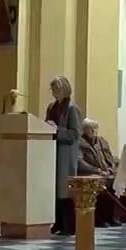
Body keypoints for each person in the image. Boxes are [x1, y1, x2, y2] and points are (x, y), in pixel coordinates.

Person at [44, 75, 82, 235]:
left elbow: (74, 134)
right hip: (52, 152)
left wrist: (57, 129)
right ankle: (58, 221)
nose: (53, 93)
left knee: (64, 189)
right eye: (52, 89)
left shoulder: (72, 109)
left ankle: (69, 224)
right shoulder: (51, 107)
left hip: (66, 154)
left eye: (56, 89)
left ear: (63, 90)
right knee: (54, 189)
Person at [78, 118, 121, 227]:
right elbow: (80, 162)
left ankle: (113, 217)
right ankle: (99, 219)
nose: (94, 131)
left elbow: (110, 158)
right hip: (90, 173)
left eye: (96, 128)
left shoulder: (102, 141)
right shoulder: (79, 142)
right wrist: (97, 171)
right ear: (84, 130)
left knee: (116, 184)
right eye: (91, 129)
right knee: (101, 185)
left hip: (105, 172)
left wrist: (110, 169)